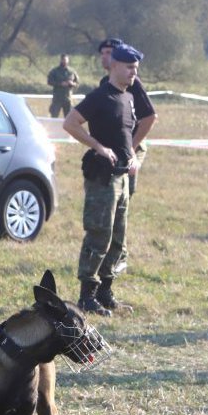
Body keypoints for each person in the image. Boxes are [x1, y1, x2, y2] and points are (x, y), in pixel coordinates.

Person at [62, 43, 144, 317]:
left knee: (118, 237)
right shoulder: (100, 96)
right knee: (100, 234)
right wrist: (97, 146)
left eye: (136, 68)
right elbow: (70, 123)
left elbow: (126, 135)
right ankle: (87, 295)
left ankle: (105, 291)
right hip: (103, 177)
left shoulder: (128, 97)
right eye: (130, 68)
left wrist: (131, 154)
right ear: (116, 66)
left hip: (122, 176)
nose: (134, 73)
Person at [97, 38, 158, 197]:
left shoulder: (132, 82)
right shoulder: (105, 82)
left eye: (109, 53)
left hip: (132, 142)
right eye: (102, 53)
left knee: (123, 193)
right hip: (115, 144)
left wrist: (132, 147)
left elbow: (149, 117)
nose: (104, 57)